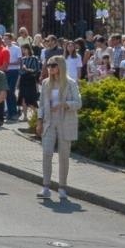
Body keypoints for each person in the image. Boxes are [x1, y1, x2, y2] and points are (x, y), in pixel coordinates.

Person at [38, 56, 81, 202]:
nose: (50, 68)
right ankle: (46, 187)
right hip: (49, 122)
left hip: (65, 121)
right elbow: (42, 104)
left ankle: (62, 187)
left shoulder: (70, 83)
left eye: (53, 65)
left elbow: (78, 103)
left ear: (60, 66)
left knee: (64, 155)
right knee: (47, 152)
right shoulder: (45, 83)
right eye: (48, 65)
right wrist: (39, 121)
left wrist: (64, 104)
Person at [18, 40, 42, 129]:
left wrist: (27, 69)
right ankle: (25, 116)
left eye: (24, 49)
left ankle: (37, 115)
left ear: (28, 49)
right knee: (23, 98)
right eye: (22, 49)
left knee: (31, 99)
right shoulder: (23, 59)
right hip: (23, 80)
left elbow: (36, 70)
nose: (23, 51)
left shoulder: (34, 58)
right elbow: (20, 71)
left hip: (30, 80)